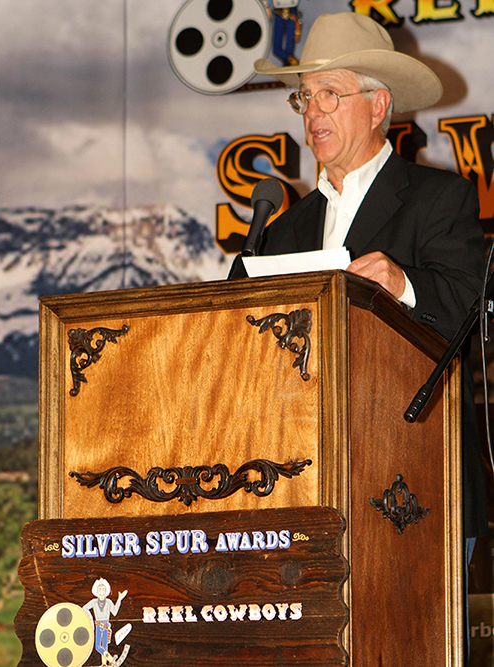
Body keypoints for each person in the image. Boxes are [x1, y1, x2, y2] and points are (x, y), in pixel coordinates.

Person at [246, 11, 487, 658]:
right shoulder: (284, 231)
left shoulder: (439, 199)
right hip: (305, 492)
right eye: (305, 97)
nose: (312, 112)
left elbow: (469, 307)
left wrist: (404, 284)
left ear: (378, 106)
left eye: (331, 93)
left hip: (417, 485)